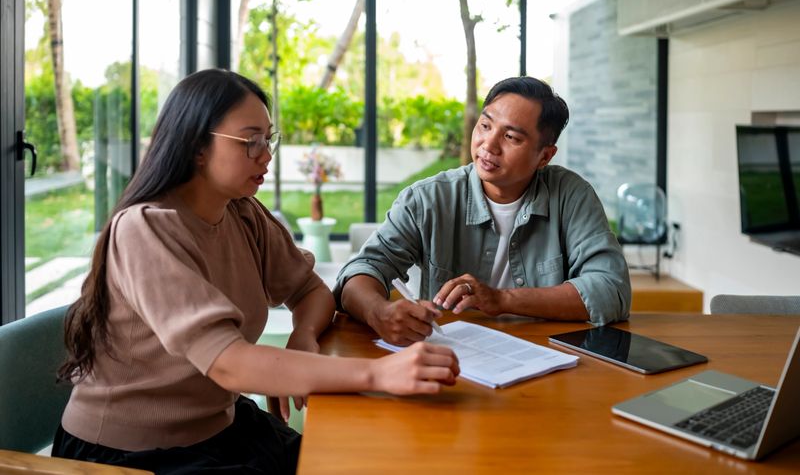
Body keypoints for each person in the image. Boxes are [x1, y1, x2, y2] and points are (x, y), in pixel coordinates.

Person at [54, 69, 459, 475]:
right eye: (250, 142)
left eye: (269, 140)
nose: (266, 155)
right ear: (197, 146)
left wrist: (302, 337)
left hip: (220, 429)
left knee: (353, 459)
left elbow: (310, 291)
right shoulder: (145, 228)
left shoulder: (241, 213)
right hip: (131, 456)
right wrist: (377, 373)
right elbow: (228, 362)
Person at [336, 76, 631, 346]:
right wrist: (380, 312)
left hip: (544, 359)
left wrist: (502, 299)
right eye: (485, 125)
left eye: (511, 137)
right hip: (451, 361)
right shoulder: (428, 199)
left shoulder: (570, 196)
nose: (488, 145)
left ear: (545, 156)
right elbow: (358, 274)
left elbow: (610, 290)